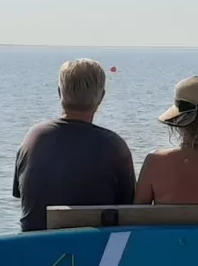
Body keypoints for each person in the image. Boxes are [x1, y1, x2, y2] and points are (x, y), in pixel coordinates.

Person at [13, 58, 136, 232]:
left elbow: (21, 195)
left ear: (59, 93)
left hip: (35, 247)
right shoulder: (114, 146)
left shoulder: (34, 137)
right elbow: (129, 207)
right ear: (101, 97)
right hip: (94, 251)